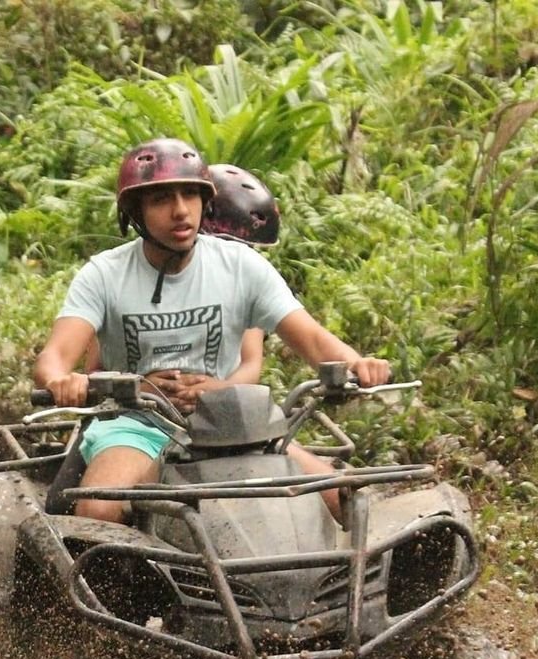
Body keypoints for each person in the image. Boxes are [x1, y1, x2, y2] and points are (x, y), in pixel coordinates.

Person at [33, 138, 389, 522]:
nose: (180, 211)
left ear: (207, 201)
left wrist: (357, 364)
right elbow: (56, 355)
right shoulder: (103, 274)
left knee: (343, 496)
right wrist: (60, 380)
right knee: (99, 507)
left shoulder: (241, 266)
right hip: (135, 425)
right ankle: (113, 582)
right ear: (135, 212)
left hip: (233, 424)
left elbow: (313, 338)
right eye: (161, 200)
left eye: (190, 194)